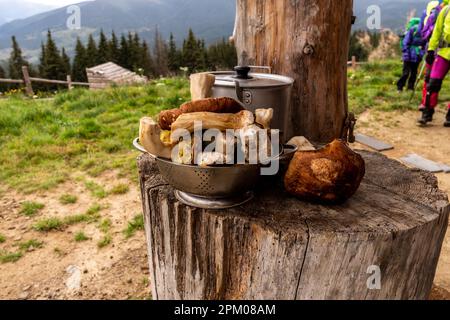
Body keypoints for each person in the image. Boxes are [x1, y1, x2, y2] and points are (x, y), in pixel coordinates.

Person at [421, 2, 450, 127]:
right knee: (432, 83)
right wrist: (430, 50)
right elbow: (437, 32)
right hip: (443, 52)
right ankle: (427, 113)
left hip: (443, 53)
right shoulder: (446, 11)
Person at [397, 18, 424, 92]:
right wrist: (406, 55)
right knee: (406, 73)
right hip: (410, 56)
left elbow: (424, 45)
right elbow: (405, 43)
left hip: (416, 56)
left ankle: (410, 88)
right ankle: (400, 87)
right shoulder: (412, 31)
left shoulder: (424, 32)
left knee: (413, 73)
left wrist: (421, 54)